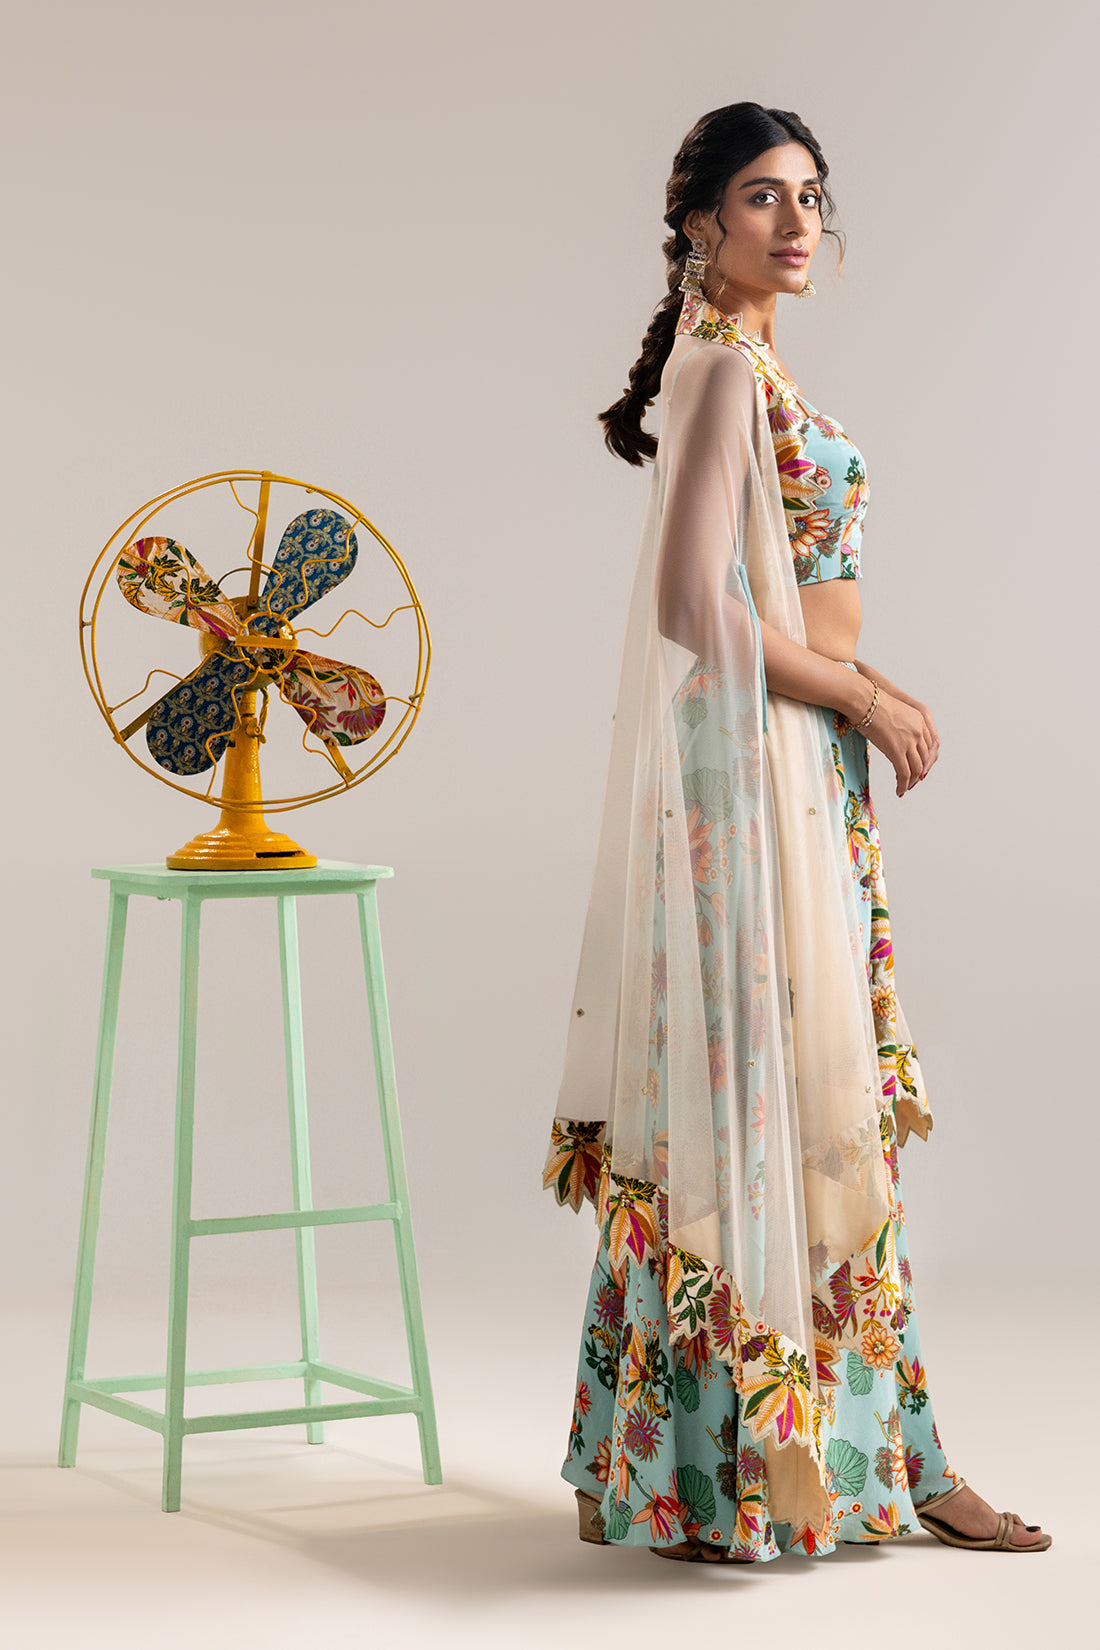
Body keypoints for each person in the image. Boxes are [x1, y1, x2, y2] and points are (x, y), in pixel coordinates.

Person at [542, 102, 1050, 1562]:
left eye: (813, 195)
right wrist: (864, 695)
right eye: (764, 196)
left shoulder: (748, 361)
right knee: (765, 1097)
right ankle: (767, 1468)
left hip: (794, 756)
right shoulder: (718, 369)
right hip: (755, 770)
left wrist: (860, 697)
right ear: (700, 219)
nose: (798, 221)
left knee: (794, 1091)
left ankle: (761, 1457)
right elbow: (690, 605)